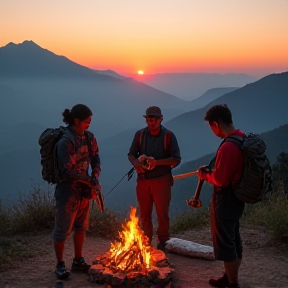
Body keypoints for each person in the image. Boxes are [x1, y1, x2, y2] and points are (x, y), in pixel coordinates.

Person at [198, 104, 245, 288]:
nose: (212, 131)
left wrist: (206, 175)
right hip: (238, 197)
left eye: (211, 127)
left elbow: (221, 179)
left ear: (216, 124)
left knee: (226, 243)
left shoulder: (228, 147)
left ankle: (232, 283)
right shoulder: (241, 138)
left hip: (226, 199)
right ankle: (229, 277)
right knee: (234, 238)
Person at [52, 104, 101, 279]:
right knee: (62, 230)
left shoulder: (89, 138)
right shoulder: (66, 141)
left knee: (81, 227)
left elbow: (95, 157)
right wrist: (89, 180)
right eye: (87, 122)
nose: (89, 124)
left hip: (84, 192)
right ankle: (60, 264)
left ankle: (78, 260)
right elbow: (67, 170)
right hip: (67, 191)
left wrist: (95, 174)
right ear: (76, 121)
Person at [128, 106, 181, 251]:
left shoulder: (168, 136)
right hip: (143, 180)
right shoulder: (139, 135)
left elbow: (176, 159)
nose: (152, 122)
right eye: (149, 119)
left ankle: (163, 242)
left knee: (162, 214)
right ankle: (145, 241)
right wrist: (136, 164)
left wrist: (156, 162)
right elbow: (131, 154)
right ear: (146, 120)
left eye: (155, 119)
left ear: (160, 120)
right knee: (144, 214)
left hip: (162, 180)